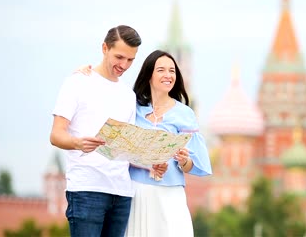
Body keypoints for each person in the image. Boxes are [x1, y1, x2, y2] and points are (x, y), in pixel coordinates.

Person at [77, 49, 212, 237]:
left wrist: (183, 161)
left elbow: (193, 165)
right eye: (161, 70)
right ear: (149, 75)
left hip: (170, 195)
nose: (168, 75)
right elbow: (117, 142)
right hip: (136, 192)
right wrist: (88, 74)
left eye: (172, 71)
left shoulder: (184, 114)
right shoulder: (133, 106)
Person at [50, 25, 143, 237]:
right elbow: (56, 135)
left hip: (121, 193)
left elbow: (126, 148)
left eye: (130, 60)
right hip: (86, 189)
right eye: (119, 57)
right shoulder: (77, 82)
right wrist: (78, 143)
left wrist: (153, 161)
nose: (124, 65)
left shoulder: (128, 94)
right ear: (104, 48)